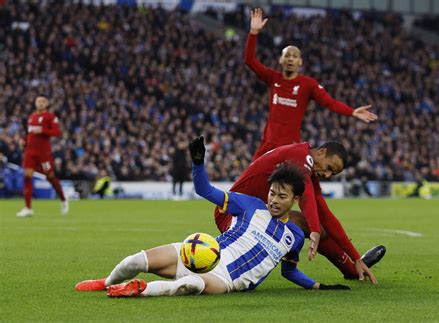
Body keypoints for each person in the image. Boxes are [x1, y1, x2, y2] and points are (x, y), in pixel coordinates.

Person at [75, 136, 349, 297]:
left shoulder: (295, 237)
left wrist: (318, 286)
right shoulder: (250, 204)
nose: (274, 200)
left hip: (226, 279)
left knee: (190, 284)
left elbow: (290, 271)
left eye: (281, 197)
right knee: (135, 259)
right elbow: (204, 190)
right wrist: (198, 164)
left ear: (294, 200)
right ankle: (106, 282)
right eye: (272, 194)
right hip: (204, 253)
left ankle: (140, 289)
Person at [214, 141, 384, 283]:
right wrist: (315, 231)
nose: (327, 174)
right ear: (321, 152)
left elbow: (325, 215)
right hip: (232, 214)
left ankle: (354, 268)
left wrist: (356, 257)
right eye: (329, 167)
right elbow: (306, 197)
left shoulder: (306, 165)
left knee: (319, 226)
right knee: (309, 225)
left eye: (333, 173)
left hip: (254, 216)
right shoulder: (301, 156)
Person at [245, 8, 378, 160]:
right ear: (281, 60)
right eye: (287, 55)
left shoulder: (308, 84)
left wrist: (352, 111)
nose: (290, 59)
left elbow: (329, 103)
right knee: (249, 182)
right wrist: (253, 33)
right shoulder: (273, 78)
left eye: (294, 56)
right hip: (268, 145)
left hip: (290, 147)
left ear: (300, 62)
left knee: (295, 182)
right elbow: (250, 60)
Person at [16, 95, 68, 217]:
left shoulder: (51, 117)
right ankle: (28, 208)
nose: (40, 103)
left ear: (47, 103)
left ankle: (63, 199)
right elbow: (30, 134)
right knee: (27, 176)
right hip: (30, 152)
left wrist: (43, 130)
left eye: (43, 101)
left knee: (50, 176)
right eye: (38, 101)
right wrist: (23, 140)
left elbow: (56, 132)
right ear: (35, 103)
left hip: (43, 153)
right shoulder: (32, 117)